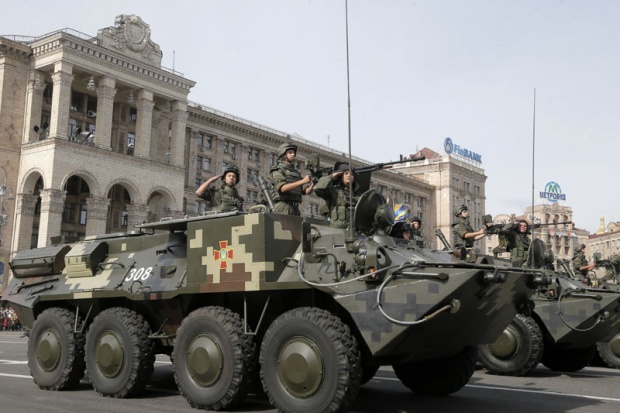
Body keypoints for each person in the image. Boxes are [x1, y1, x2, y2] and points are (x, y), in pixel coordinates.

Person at [270, 142, 313, 215]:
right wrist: (303, 181)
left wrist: (313, 183)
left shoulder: (296, 172)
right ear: (283, 154)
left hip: (295, 208)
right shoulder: (278, 170)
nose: (293, 154)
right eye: (290, 152)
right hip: (283, 207)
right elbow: (283, 188)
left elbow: (307, 191)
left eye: (294, 153)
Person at [314, 162, 359, 228]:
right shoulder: (334, 191)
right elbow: (317, 189)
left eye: (351, 174)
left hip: (353, 230)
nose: (349, 176)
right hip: (336, 230)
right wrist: (332, 176)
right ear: (340, 176)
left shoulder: (357, 195)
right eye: (346, 173)